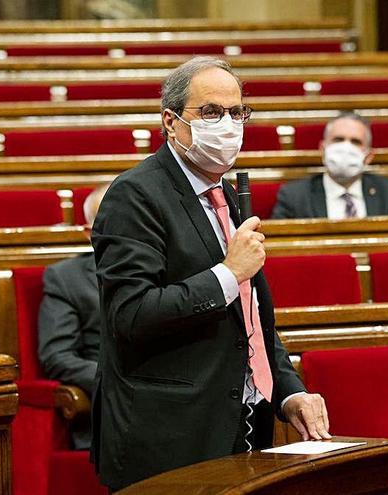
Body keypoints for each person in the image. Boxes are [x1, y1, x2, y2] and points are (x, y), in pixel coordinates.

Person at [90, 56, 331, 491]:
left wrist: (288, 390)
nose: (229, 124)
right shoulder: (134, 195)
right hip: (169, 440)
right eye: (211, 112)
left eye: (237, 112)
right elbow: (131, 314)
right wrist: (226, 272)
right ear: (171, 121)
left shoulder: (225, 193)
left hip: (241, 427)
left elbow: (250, 317)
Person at [37, 184, 109, 449]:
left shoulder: (171, 267)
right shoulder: (66, 279)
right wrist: (117, 380)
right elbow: (57, 357)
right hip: (110, 408)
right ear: (91, 233)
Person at [270, 112, 388, 219]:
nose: (346, 147)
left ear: (368, 157)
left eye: (355, 142)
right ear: (323, 149)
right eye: (338, 139)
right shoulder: (294, 196)